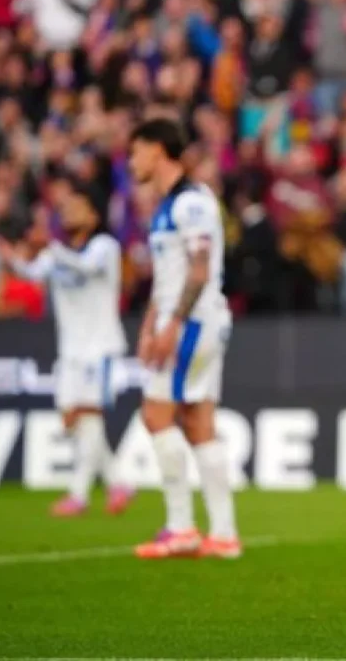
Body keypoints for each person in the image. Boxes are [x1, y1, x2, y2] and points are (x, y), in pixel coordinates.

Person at [128, 118, 241, 560]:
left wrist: (172, 324)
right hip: (191, 318)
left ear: (158, 149)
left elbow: (199, 268)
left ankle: (180, 528)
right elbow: (168, 277)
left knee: (156, 414)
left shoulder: (190, 202)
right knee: (197, 421)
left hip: (192, 321)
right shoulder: (171, 205)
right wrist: (149, 325)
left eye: (137, 151)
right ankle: (224, 534)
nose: (132, 162)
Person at [0, 186, 134, 518]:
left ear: (93, 216)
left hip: (100, 347)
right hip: (71, 349)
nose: (69, 212)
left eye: (77, 206)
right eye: (66, 208)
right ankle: (117, 481)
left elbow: (85, 267)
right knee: (71, 417)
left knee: (88, 414)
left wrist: (51, 247)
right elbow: (31, 273)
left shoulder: (105, 248)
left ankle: (79, 495)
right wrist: (9, 256)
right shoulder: (53, 255)